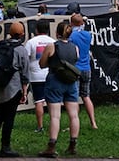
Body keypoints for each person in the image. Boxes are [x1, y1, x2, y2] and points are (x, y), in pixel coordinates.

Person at [0, 21, 29, 157]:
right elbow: (25, 74)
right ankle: (6, 147)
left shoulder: (0, 45)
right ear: (22, 34)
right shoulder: (21, 50)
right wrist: (25, 92)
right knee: (9, 118)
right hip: (12, 89)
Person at [38, 22, 80, 157]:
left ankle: (51, 146)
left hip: (55, 81)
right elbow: (76, 60)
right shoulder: (75, 47)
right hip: (71, 82)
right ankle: (73, 144)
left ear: (57, 33)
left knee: (55, 116)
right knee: (74, 115)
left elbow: (42, 64)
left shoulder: (52, 46)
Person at [25, 19, 55, 133]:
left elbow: (25, 59)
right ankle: (54, 123)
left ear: (36, 29)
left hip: (35, 76)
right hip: (50, 75)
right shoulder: (53, 42)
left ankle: (40, 126)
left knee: (38, 101)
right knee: (52, 101)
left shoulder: (31, 42)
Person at [69, 13, 98, 129]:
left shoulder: (71, 36)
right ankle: (93, 122)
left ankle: (74, 123)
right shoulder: (88, 35)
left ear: (71, 24)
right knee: (86, 96)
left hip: (75, 68)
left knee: (74, 97)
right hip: (86, 68)